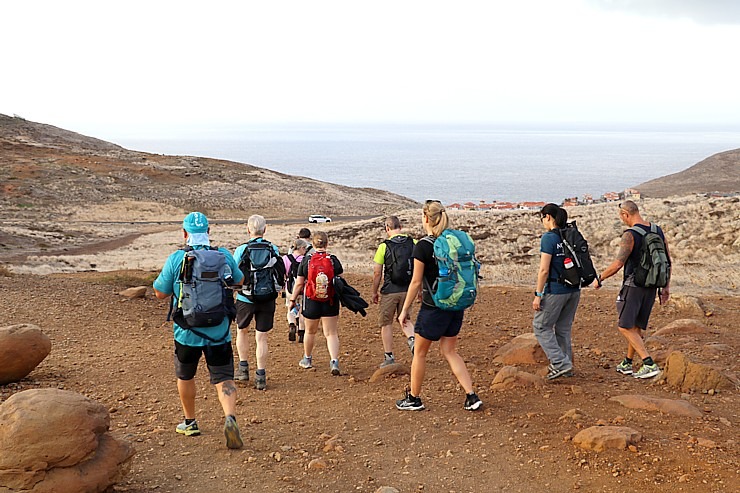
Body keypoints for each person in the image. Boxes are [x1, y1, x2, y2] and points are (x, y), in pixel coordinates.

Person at [153, 212, 244, 449]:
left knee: (185, 375)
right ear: (208, 232)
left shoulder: (177, 258)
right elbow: (240, 280)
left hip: (187, 331)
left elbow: (160, 292)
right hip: (219, 330)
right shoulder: (222, 255)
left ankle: (190, 421)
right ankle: (230, 417)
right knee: (223, 376)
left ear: (184, 234)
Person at [396, 200, 482, 412]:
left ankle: (414, 398)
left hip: (433, 307)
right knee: (450, 351)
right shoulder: (455, 241)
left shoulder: (423, 246)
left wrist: (405, 310)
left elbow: (416, 282)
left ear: (426, 218)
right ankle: (471, 396)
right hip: (456, 304)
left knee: (420, 353)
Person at [597, 200, 671, 379]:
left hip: (634, 285)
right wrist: (665, 287)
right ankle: (627, 363)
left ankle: (648, 363)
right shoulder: (657, 230)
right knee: (636, 326)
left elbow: (618, 264)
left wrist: (600, 278)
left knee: (624, 326)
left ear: (625, 214)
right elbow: (667, 260)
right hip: (652, 285)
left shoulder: (630, 235)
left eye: (621, 217)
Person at [232, 215, 282, 390]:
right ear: (265, 230)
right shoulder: (273, 248)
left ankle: (243, 369)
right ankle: (261, 376)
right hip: (267, 298)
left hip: (245, 298)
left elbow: (234, 274)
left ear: (248, 229)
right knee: (262, 337)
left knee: (242, 331)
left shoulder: (241, 250)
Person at [532, 203, 581, 380]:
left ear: (548, 217)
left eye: (542, 218)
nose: (543, 222)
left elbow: (544, 270)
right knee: (563, 328)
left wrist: (538, 294)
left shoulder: (549, 238)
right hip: (574, 289)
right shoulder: (570, 235)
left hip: (556, 290)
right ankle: (565, 366)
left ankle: (561, 363)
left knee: (541, 326)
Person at [288, 231, 343, 375]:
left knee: (310, 331)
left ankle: (307, 359)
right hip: (330, 300)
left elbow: (299, 283)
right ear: (327, 243)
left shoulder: (306, 260)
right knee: (331, 333)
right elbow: (340, 282)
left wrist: (292, 300)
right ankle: (334, 362)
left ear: (312, 244)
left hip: (311, 300)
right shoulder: (333, 260)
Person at [371, 215, 416, 367]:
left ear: (387, 229)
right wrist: (421, 290)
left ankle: (389, 356)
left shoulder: (384, 246)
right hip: (408, 289)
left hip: (390, 290)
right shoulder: (413, 243)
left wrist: (374, 291)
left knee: (386, 323)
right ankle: (412, 340)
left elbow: (377, 273)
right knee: (406, 319)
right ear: (400, 227)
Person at [284, 238, 309, 343]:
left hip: (290, 288)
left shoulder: (286, 258)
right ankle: (302, 333)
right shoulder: (307, 259)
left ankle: (292, 324)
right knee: (302, 311)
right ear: (302, 248)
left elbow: (283, 274)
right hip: (304, 289)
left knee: (290, 308)